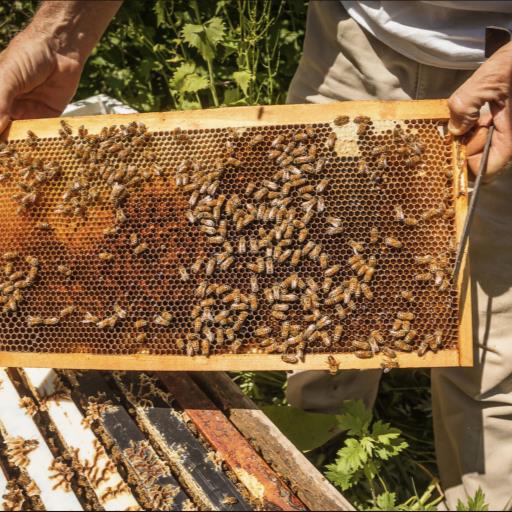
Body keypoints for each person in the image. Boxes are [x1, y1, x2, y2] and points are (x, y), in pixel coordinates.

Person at [0, 1, 511, 508]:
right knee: (310, 306)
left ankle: (482, 497)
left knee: (495, 343)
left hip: (502, 50)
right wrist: (59, 33)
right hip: (355, 33)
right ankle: (315, 473)